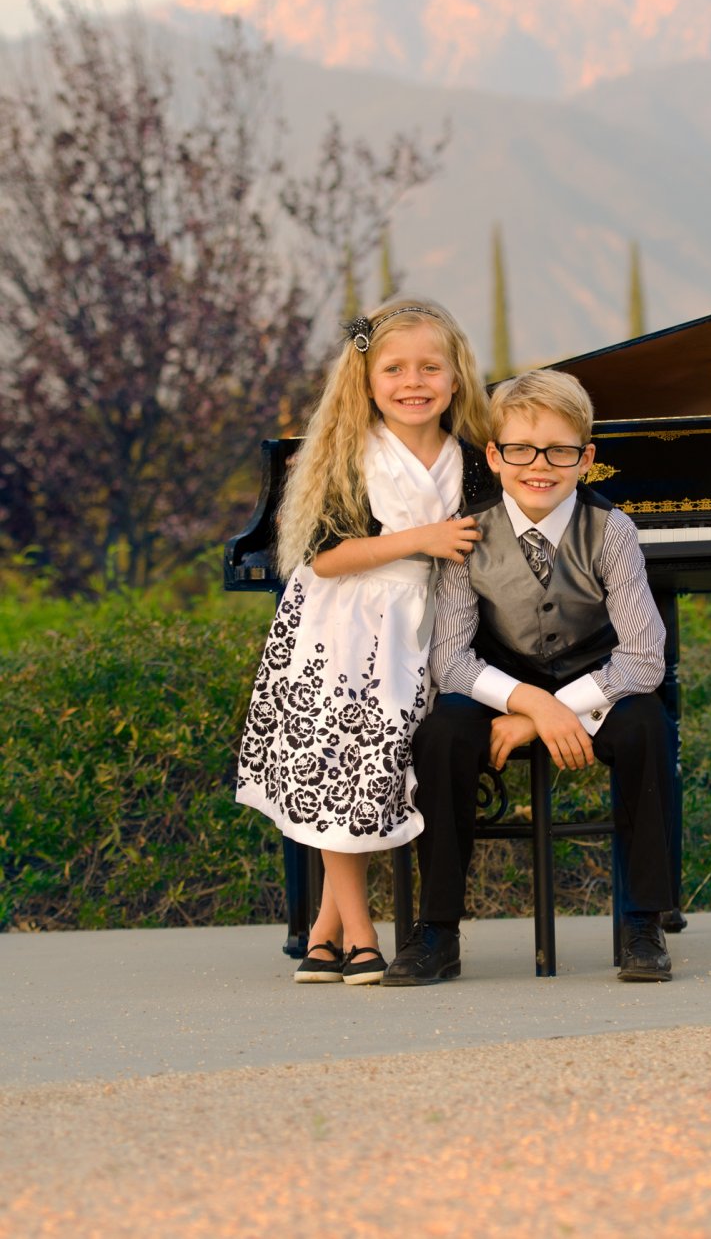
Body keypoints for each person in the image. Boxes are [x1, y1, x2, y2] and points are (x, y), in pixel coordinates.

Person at [383, 369, 676, 987]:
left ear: (586, 459)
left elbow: (646, 657)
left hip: (597, 683)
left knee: (649, 723)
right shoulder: (469, 532)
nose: (539, 466)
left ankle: (642, 923)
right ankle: (437, 932)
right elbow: (450, 661)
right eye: (519, 450)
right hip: (495, 680)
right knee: (440, 737)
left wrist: (548, 711)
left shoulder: (612, 530)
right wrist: (525, 704)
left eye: (560, 452)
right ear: (494, 455)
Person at [236, 299, 493, 985]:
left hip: (419, 626)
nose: (414, 381)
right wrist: (422, 540)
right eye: (395, 368)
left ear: (457, 375)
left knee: (376, 769)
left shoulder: (470, 459)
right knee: (341, 764)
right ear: (368, 378)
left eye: (429, 367)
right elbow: (321, 557)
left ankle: (324, 928)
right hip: (340, 627)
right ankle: (359, 929)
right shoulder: (350, 451)